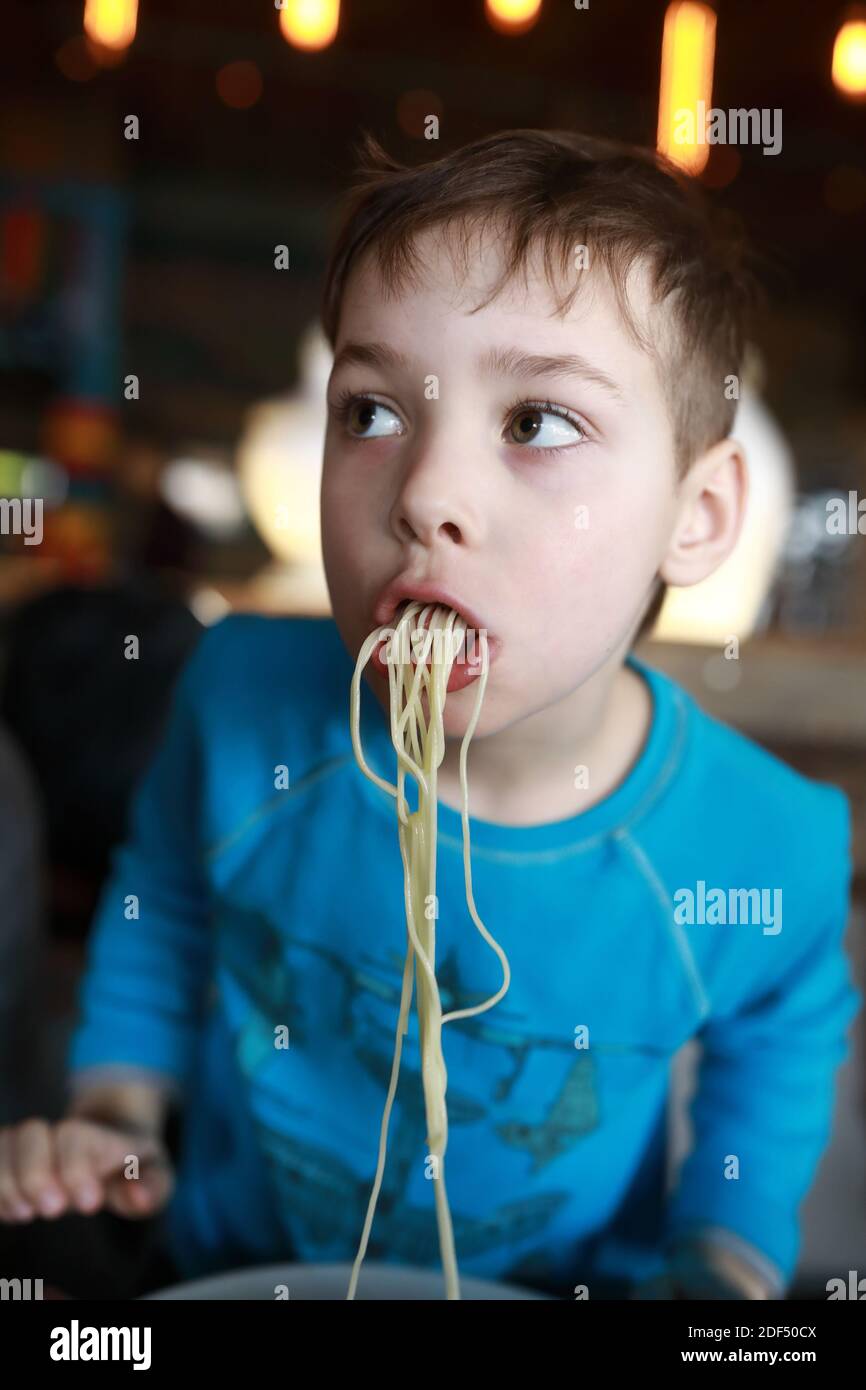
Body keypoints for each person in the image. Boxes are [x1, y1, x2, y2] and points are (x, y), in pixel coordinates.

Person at [0, 130, 860, 1300]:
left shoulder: (763, 842)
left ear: (695, 516)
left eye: (537, 422)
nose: (425, 496)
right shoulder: (239, 697)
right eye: (370, 411)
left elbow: (775, 1040)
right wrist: (117, 1106)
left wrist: (721, 1246)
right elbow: (165, 904)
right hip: (232, 1269)